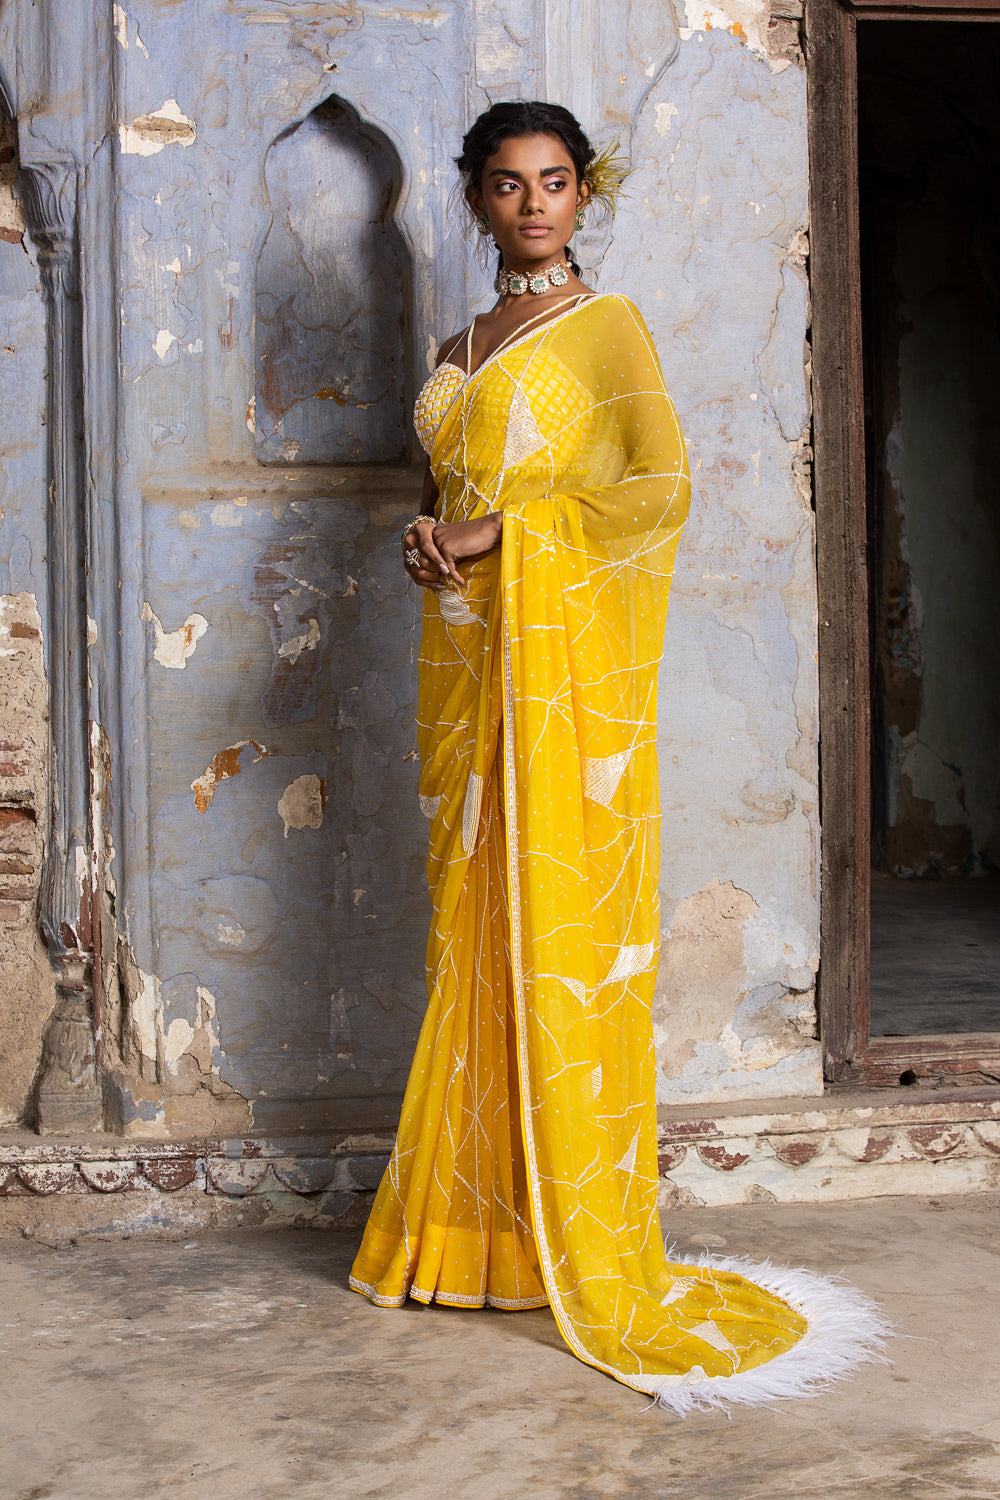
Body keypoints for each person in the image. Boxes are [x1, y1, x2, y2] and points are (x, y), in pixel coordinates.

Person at [349, 100, 887, 1412]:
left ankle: (570, 1230)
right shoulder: (457, 348)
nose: (533, 203)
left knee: (557, 931)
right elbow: (448, 492)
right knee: (473, 933)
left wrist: (499, 537)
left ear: (582, 196)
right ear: (476, 200)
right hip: (469, 667)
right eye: (507, 184)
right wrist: (432, 539)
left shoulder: (608, 331)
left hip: (561, 675)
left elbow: (657, 489)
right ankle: (472, 1235)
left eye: (554, 181)